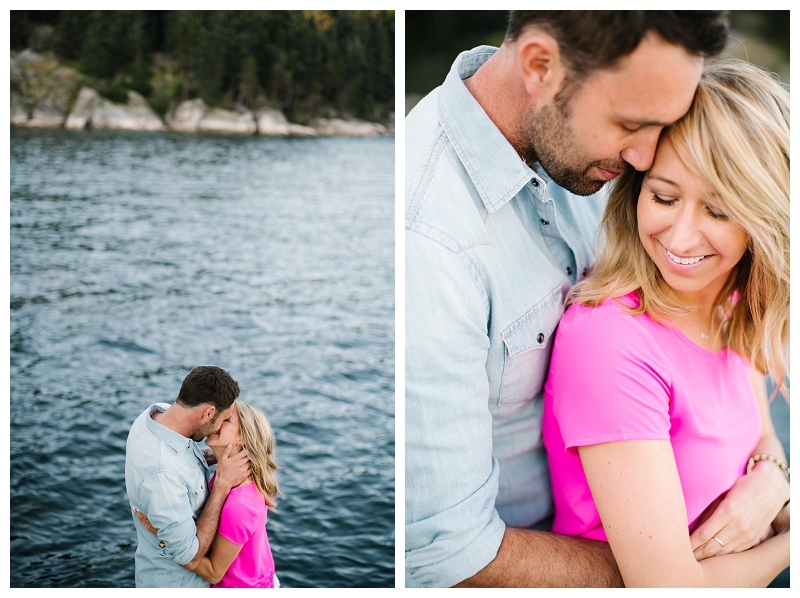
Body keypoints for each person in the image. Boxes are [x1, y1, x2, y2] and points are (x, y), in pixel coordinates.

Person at [405, 11, 786, 587]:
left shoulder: (590, 158)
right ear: (539, 66)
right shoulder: (429, 242)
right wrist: (674, 566)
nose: (646, 157)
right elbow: (446, 557)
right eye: (632, 122)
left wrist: (775, 481)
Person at [542, 59, 789, 587]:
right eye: (664, 197)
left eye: (719, 211)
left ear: (763, 219)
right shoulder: (609, 340)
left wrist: (772, 477)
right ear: (636, 190)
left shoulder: (729, 298)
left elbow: (760, 433)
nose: (679, 241)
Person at [125, 365, 251, 587]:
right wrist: (221, 485)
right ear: (209, 413)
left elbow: (178, 458)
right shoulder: (163, 475)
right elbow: (190, 557)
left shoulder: (156, 416)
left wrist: (216, 455)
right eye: (223, 419)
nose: (219, 427)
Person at [137, 400, 281, 588]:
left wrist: (162, 533)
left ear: (242, 439)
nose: (215, 420)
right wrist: (216, 455)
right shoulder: (229, 472)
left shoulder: (240, 505)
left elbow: (214, 573)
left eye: (226, 419)